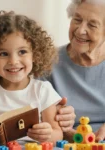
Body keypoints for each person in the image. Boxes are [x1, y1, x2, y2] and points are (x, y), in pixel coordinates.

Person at [0, 0, 75, 144]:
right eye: (3, 54)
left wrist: (47, 134)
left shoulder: (43, 90)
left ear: (35, 55)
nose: (13, 61)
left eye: (22, 52)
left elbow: (57, 134)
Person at [46, 0, 105, 142]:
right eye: (77, 19)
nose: (80, 30)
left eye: (92, 25)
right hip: (61, 142)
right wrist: (63, 131)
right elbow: (34, 115)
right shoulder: (47, 61)